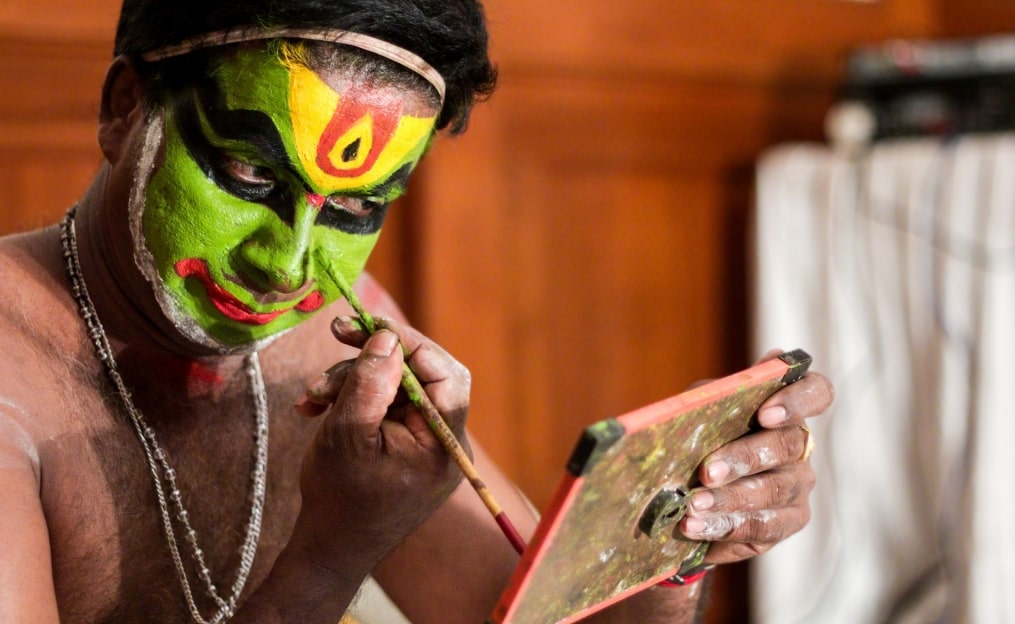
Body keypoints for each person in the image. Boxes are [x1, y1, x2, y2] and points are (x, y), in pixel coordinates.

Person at [0, 0, 834, 622]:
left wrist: (675, 526)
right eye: (250, 178)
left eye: (356, 208)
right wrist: (333, 553)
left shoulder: (334, 318)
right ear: (123, 108)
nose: (286, 266)